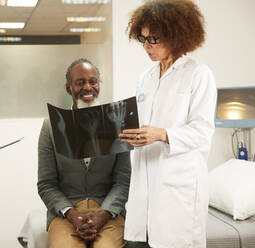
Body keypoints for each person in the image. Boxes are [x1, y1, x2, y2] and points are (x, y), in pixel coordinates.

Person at [119, 1, 217, 247]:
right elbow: (141, 124)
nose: (147, 46)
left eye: (154, 38)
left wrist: (162, 134)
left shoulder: (198, 74)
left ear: (176, 35)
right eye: (143, 39)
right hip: (144, 181)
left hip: (178, 186)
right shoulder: (146, 78)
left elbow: (203, 131)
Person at [37, 58, 131, 248]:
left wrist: (103, 215)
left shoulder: (117, 123)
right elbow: (46, 184)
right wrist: (72, 214)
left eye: (93, 81)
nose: (88, 87)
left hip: (108, 211)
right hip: (66, 213)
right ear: (68, 88)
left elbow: (123, 181)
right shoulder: (51, 126)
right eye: (80, 82)